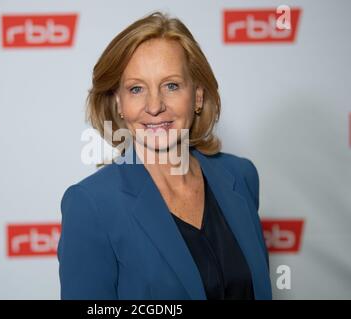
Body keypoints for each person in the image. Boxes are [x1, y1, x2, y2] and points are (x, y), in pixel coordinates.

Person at [57, 11, 272, 300]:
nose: (155, 106)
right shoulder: (91, 205)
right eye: (136, 89)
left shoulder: (241, 176)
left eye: (171, 85)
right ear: (119, 103)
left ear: (197, 95)